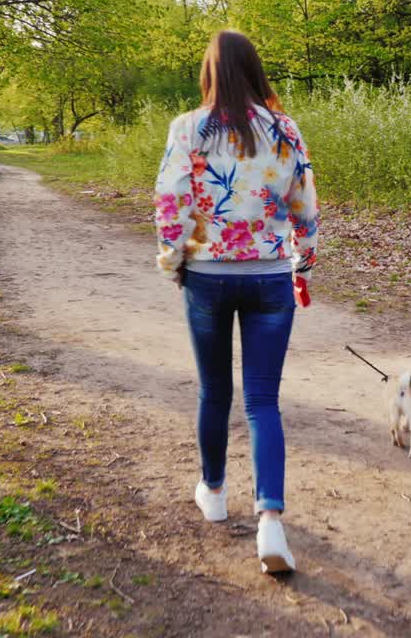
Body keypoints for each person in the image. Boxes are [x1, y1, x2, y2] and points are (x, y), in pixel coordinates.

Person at [153, 30, 319, 574]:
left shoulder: (189, 129)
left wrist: (175, 259)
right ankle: (271, 519)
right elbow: (304, 204)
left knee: (214, 391)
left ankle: (216, 493)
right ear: (255, 70)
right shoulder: (285, 128)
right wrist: (303, 257)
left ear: (209, 71)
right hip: (270, 276)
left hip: (208, 275)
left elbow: (171, 200)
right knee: (263, 401)